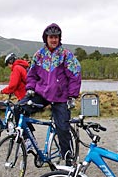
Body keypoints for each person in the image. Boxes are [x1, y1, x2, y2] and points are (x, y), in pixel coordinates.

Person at [18, 23, 81, 166]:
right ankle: (29, 141)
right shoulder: (39, 55)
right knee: (18, 109)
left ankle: (69, 160)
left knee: (63, 128)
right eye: (51, 37)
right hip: (42, 93)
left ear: (59, 38)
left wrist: (72, 96)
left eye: (56, 37)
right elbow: (31, 75)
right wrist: (30, 88)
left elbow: (75, 75)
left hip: (60, 97)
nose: (53, 40)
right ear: (45, 38)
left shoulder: (66, 55)